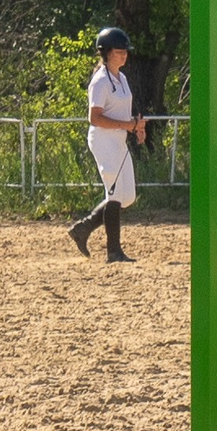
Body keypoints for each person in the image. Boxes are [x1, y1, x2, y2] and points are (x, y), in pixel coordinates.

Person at [68, 26, 143, 262]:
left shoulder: (122, 79)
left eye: (125, 51)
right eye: (120, 51)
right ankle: (113, 251)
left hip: (118, 139)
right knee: (115, 194)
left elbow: (122, 114)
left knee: (127, 196)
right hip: (103, 139)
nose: (124, 55)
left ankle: (84, 227)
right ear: (107, 52)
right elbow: (95, 117)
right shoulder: (100, 81)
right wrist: (128, 126)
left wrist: (137, 127)